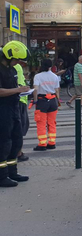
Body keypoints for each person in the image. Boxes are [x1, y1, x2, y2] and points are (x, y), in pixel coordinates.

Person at [0, 40, 32, 187]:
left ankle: (13, 172)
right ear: (8, 56)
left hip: (14, 108)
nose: (18, 62)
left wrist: (21, 88)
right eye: (17, 59)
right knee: (4, 143)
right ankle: (2, 176)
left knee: (16, 141)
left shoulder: (12, 70)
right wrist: (18, 90)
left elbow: (12, 88)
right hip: (3, 110)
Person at [31, 59, 61, 151]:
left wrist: (35, 100)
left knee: (41, 123)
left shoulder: (38, 76)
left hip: (42, 101)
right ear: (50, 66)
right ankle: (52, 143)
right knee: (52, 123)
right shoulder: (54, 76)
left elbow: (35, 89)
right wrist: (57, 101)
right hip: (53, 101)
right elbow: (57, 90)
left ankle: (42, 144)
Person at [13, 62, 30, 162]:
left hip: (21, 99)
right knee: (19, 128)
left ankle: (17, 152)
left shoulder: (13, 66)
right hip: (19, 100)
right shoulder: (14, 66)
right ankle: (18, 152)